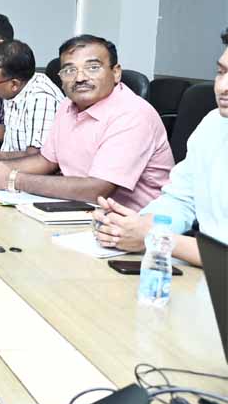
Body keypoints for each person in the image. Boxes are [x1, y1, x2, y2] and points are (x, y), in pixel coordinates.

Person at [0, 35, 173, 208]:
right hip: (81, 209)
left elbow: (97, 189)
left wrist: (13, 179)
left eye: (93, 68)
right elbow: (46, 161)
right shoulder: (68, 105)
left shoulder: (132, 114)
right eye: (70, 70)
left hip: (134, 224)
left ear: (116, 73)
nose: (80, 78)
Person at [92, 29, 228, 267]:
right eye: (221, 72)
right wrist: (133, 226)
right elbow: (180, 200)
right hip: (205, 275)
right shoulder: (213, 123)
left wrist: (156, 238)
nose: (223, 86)